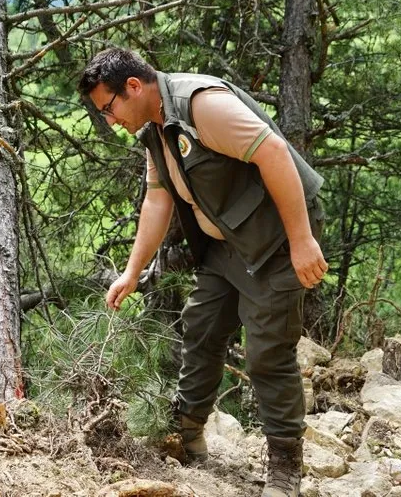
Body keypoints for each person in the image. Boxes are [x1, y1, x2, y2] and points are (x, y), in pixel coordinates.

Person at [78, 47, 327, 497]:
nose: (110, 121)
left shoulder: (200, 105)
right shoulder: (155, 128)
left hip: (276, 240)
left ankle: (285, 469)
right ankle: (187, 433)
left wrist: (302, 240)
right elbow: (158, 199)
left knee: (267, 353)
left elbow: (273, 152)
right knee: (203, 327)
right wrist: (132, 273)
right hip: (226, 244)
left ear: (133, 87)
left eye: (109, 108)